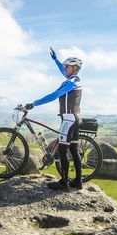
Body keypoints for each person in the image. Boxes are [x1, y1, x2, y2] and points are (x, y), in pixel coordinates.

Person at [25, 47, 84, 190]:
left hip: (69, 120)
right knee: (74, 151)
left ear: (75, 68)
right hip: (76, 118)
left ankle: (63, 183)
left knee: (63, 151)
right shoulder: (73, 79)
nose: (65, 68)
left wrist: (34, 103)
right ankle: (78, 182)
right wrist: (55, 60)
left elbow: (54, 95)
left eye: (67, 66)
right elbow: (63, 72)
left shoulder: (71, 82)